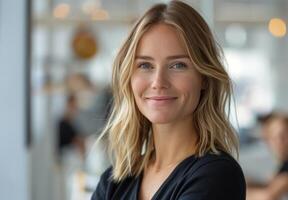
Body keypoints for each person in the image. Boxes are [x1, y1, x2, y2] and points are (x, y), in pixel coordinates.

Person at [91, 1, 246, 200]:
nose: (158, 82)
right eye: (145, 65)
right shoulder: (114, 181)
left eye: (178, 65)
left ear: (204, 78)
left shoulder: (217, 175)